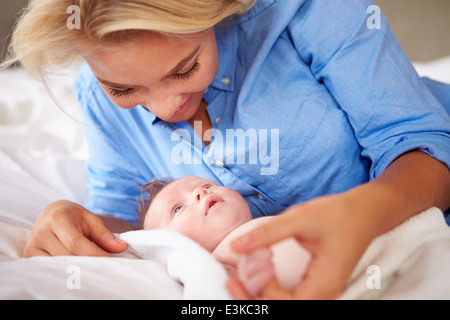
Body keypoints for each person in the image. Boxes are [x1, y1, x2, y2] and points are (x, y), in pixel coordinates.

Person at [3, 0, 449, 299]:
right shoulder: (93, 94)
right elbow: (129, 220)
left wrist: (363, 213)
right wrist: (74, 221)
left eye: (185, 69)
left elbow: (424, 145)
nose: (164, 108)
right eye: (122, 87)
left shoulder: (311, 11)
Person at [137, 175, 311, 298]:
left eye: (207, 186)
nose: (200, 191)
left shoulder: (271, 221)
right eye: (177, 208)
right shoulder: (214, 264)